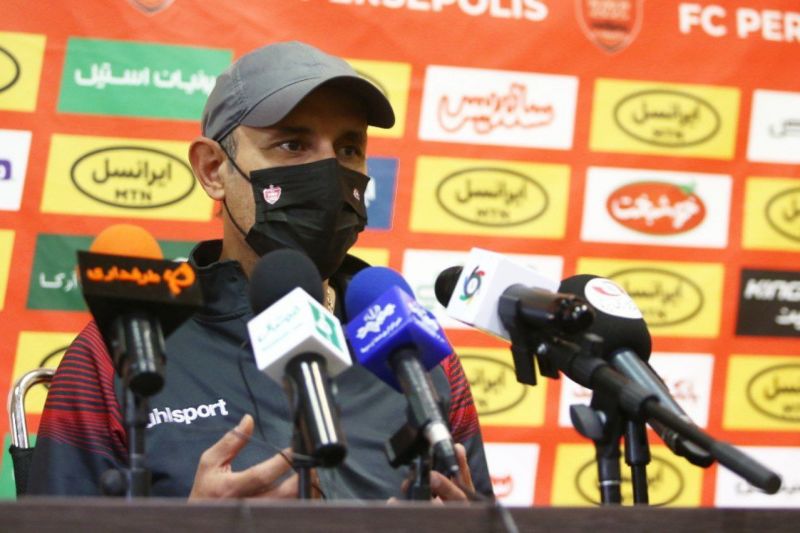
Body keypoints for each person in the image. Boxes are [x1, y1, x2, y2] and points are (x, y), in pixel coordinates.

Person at [28, 41, 493, 501]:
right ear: (213, 169)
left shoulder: (413, 354)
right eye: (292, 145)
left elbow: (480, 511)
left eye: (349, 148)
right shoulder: (124, 348)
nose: (329, 172)